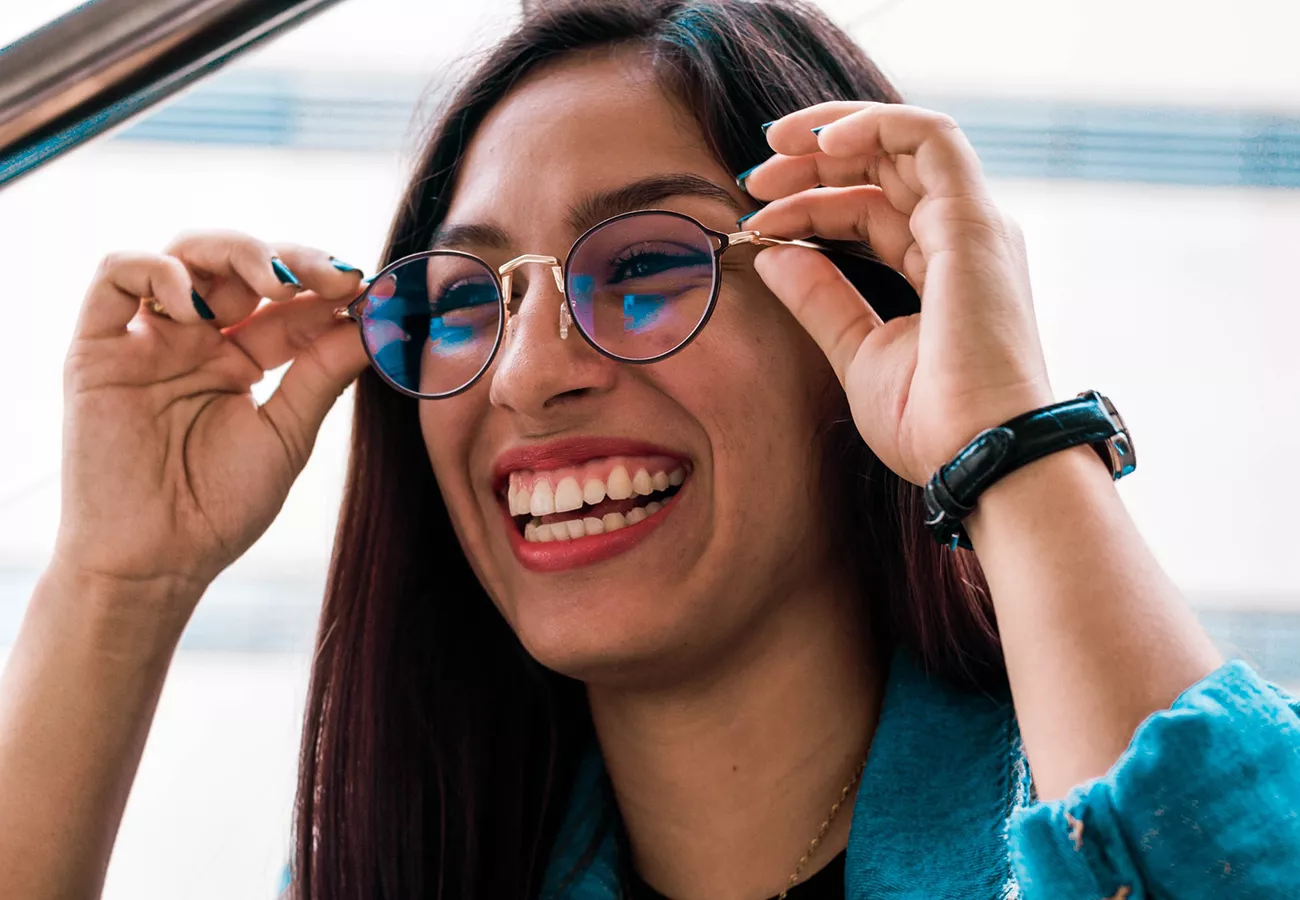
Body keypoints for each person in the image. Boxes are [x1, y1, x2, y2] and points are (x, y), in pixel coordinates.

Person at [1, 1, 1297, 898]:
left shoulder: (1103, 786)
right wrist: (120, 588)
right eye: (467, 301)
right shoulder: (402, 870)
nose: (531, 370)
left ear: (857, 321)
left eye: (650, 269)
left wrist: (1005, 438)